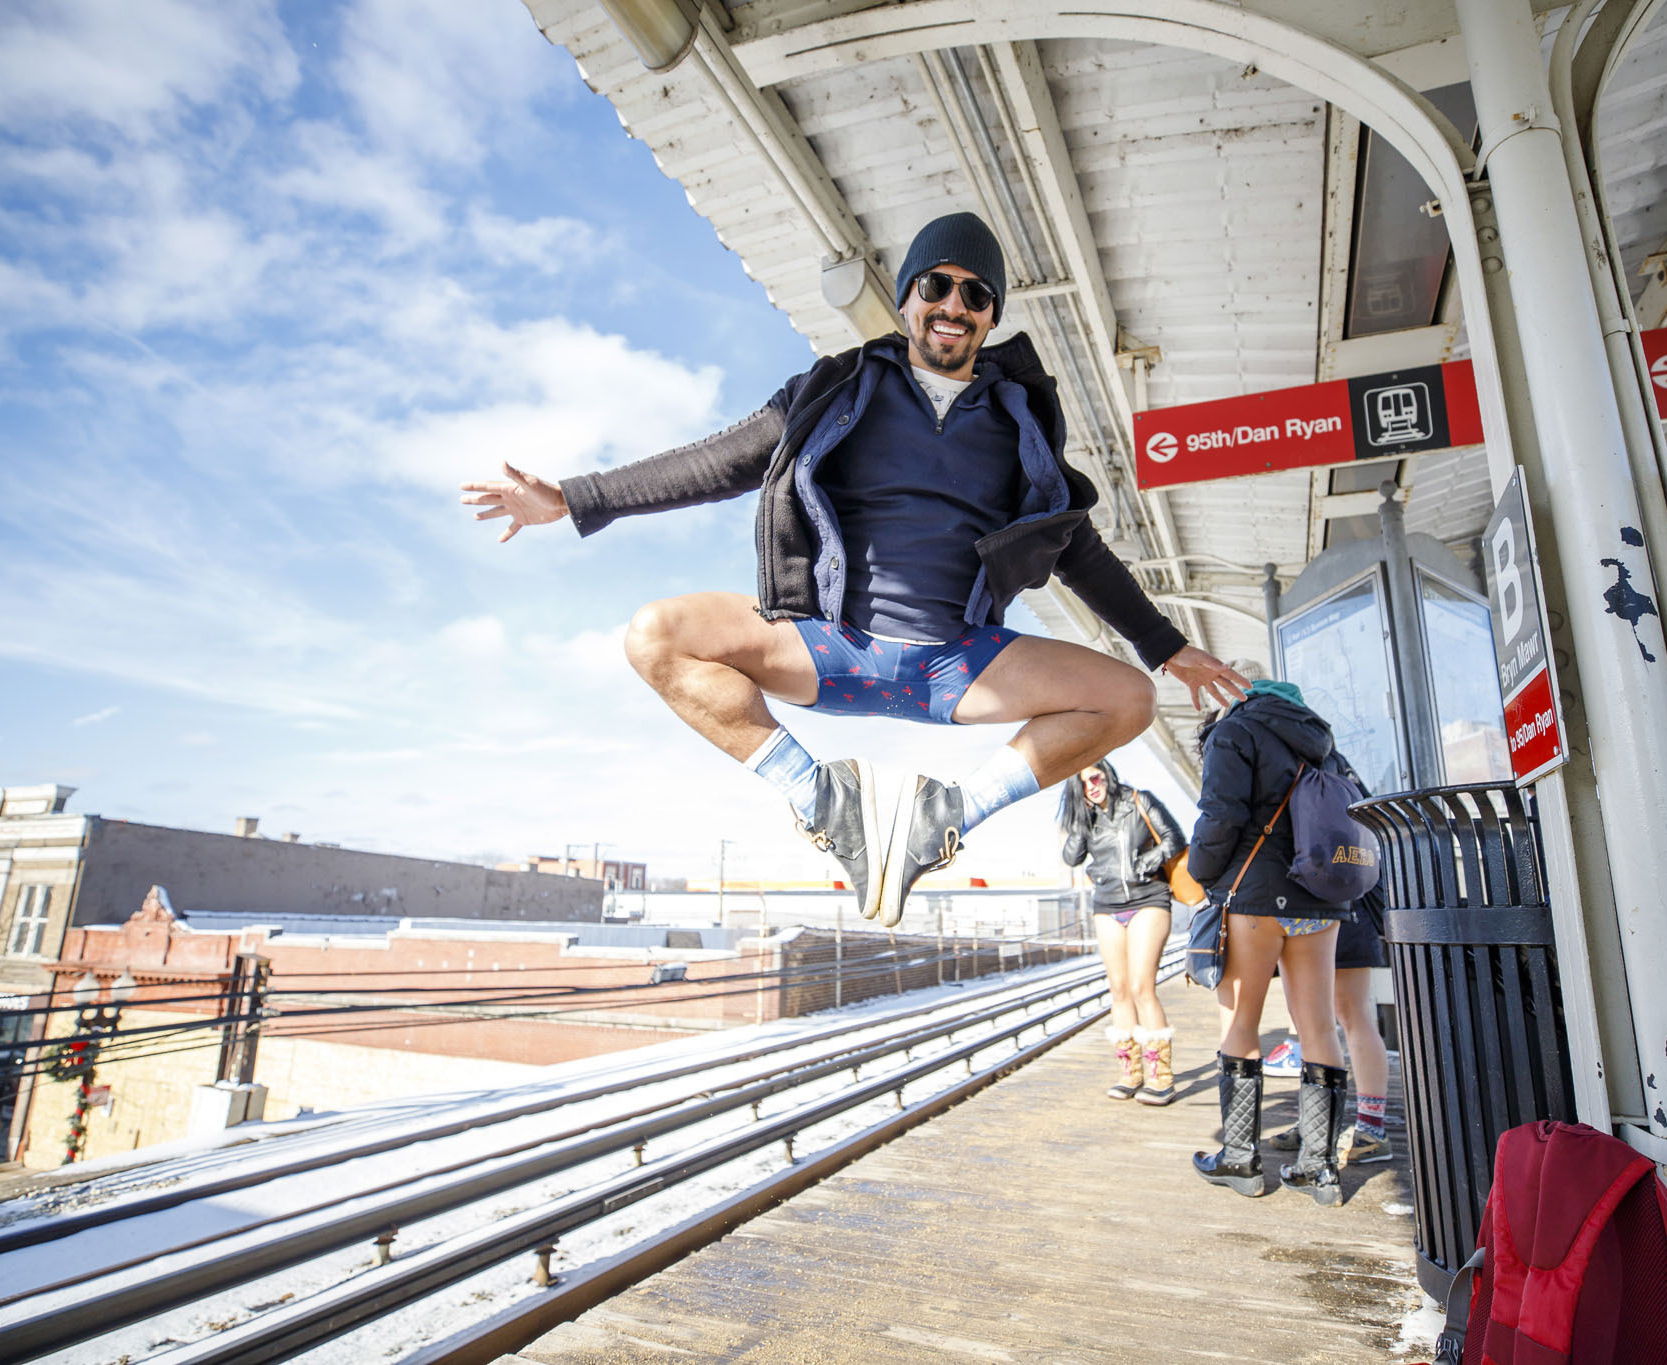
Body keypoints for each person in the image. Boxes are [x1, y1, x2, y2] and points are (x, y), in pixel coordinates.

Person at [462, 212, 1242, 927]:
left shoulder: (1017, 421)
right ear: (907, 298)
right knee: (655, 636)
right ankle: (822, 800)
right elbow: (717, 460)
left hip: (957, 664)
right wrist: (572, 497)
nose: (953, 304)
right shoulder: (836, 389)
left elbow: (1076, 544)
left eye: (975, 294)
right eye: (936, 285)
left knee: (1128, 698)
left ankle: (946, 818)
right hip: (830, 644)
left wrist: (1166, 646)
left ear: (992, 316)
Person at [1186, 662, 1363, 1205]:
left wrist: (1199, 873)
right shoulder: (1322, 741)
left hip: (1255, 897)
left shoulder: (1234, 730)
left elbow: (1220, 815)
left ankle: (1239, 1159)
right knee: (1319, 1026)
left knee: (1242, 1022)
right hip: (1319, 898)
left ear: (1232, 689)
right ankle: (1319, 1169)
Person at [1059, 760, 1185, 1104]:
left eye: (1095, 777)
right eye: (1082, 784)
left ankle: (1161, 1076)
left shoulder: (1139, 801)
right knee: (1118, 989)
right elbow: (1071, 858)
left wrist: (1149, 861)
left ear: (1108, 774)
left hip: (1149, 898)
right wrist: (1079, 822)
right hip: (1107, 905)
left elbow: (1176, 837)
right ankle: (1130, 1073)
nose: (1091, 786)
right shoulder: (1087, 817)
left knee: (1141, 986)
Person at [1266, 883, 1393, 1164]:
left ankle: (1372, 1128)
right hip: (1299, 904)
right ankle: (1315, 1123)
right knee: (1306, 1020)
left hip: (1342, 902)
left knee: (1352, 1014)